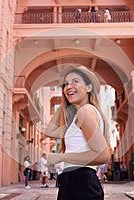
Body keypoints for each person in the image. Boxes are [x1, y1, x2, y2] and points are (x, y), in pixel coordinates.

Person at [45, 64, 110, 200]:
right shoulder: (80, 116)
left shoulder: (85, 112)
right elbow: (50, 131)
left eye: (75, 81)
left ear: (88, 88)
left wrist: (61, 157)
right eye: (66, 84)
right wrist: (66, 100)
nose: (68, 86)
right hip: (75, 181)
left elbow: (103, 156)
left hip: (80, 182)